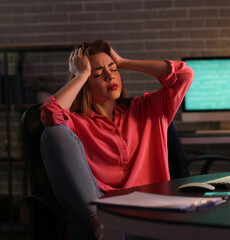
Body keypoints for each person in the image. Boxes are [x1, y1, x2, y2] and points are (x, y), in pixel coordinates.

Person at [40, 40, 194, 239]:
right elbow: (50, 114)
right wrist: (81, 74)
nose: (109, 76)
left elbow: (184, 74)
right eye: (97, 74)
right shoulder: (77, 122)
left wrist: (124, 61)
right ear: (86, 84)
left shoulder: (148, 108)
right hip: (103, 210)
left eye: (113, 69)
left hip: (150, 207)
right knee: (53, 133)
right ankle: (99, 227)